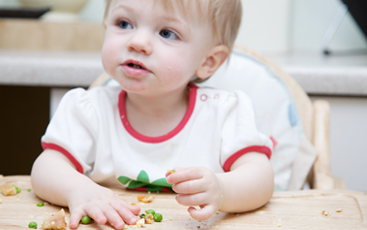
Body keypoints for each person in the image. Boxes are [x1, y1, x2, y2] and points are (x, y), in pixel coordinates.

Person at [31, 0, 274, 229]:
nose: (137, 42)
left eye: (167, 33)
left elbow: (261, 177)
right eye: (124, 24)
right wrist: (78, 189)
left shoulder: (224, 113)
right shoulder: (88, 109)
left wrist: (222, 190)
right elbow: (46, 167)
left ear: (208, 61)